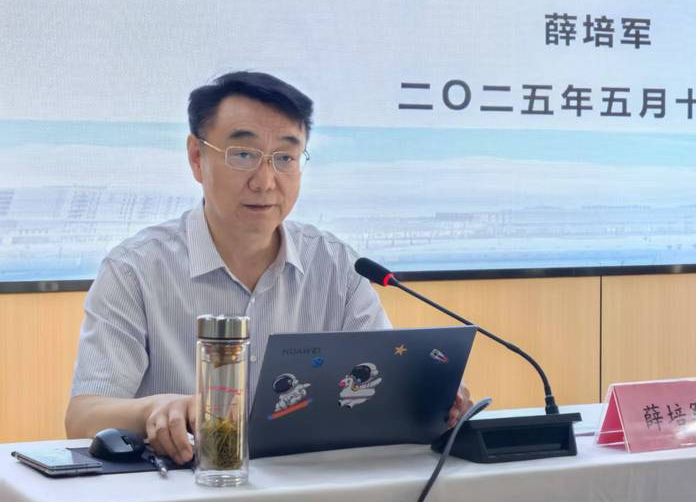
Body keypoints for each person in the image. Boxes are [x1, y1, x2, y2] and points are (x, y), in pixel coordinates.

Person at [65, 71, 472, 464]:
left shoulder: (337, 266)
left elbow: (381, 384)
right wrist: (156, 408)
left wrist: (430, 398)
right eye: (244, 155)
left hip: (311, 489)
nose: (265, 181)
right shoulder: (134, 269)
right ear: (196, 157)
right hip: (182, 492)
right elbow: (82, 418)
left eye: (285, 158)